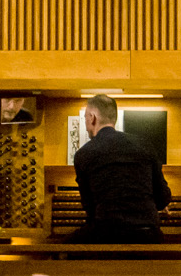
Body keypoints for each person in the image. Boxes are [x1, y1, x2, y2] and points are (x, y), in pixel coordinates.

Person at [69, 93, 171, 241]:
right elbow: (163, 198)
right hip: (147, 235)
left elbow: (89, 207)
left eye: (85, 118)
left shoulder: (83, 154)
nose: (85, 124)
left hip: (105, 234)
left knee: (62, 250)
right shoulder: (145, 146)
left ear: (92, 117)